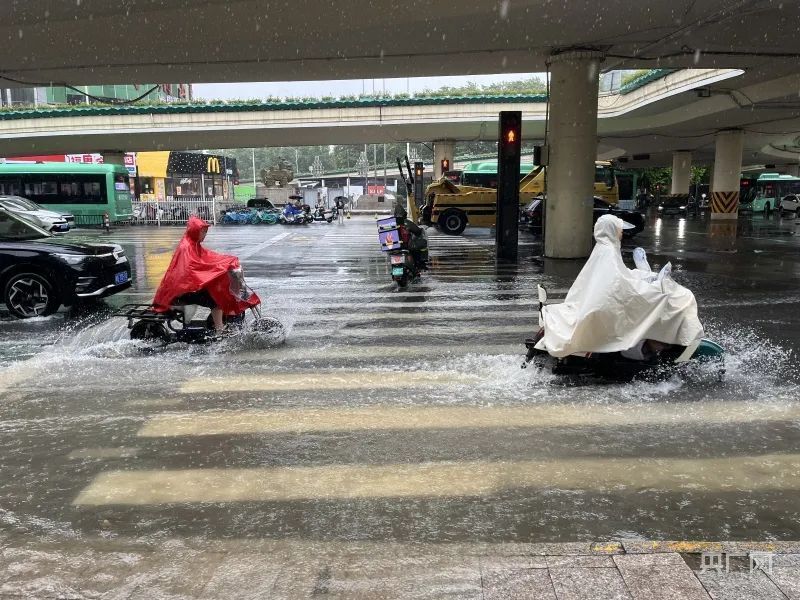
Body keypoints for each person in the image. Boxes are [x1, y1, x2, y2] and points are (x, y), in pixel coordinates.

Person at [535, 214, 703, 358]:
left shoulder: (604, 249)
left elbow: (619, 275)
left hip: (604, 300)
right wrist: (648, 287)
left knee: (652, 303)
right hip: (608, 303)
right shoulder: (608, 251)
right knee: (664, 303)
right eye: (619, 229)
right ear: (611, 230)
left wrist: (644, 274)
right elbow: (617, 283)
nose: (622, 233)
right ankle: (658, 344)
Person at [152, 216, 259, 331]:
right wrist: (217, 269)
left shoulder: (193, 244)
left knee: (220, 291)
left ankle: (219, 324)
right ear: (195, 231)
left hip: (187, 287)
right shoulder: (186, 247)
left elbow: (209, 257)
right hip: (180, 291)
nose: (205, 235)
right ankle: (219, 330)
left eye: (205, 232)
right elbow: (192, 269)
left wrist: (227, 261)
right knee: (216, 299)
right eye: (203, 232)